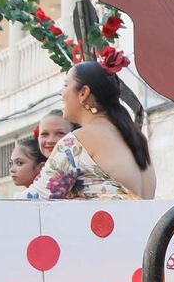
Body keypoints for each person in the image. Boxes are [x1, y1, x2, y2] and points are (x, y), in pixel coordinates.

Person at [24, 50, 155, 200]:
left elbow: (36, 198)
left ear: (83, 93)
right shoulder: (136, 139)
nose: (61, 93)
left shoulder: (79, 140)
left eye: (66, 85)